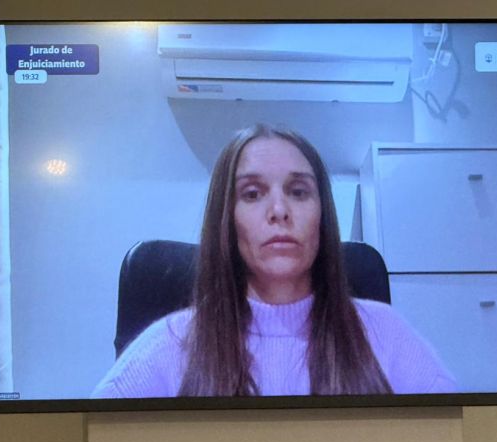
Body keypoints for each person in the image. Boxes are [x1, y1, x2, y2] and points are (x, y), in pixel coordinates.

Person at [93, 124, 455, 398]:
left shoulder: (386, 333)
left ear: (322, 216)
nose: (279, 210)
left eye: (298, 192)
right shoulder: (170, 344)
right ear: (227, 218)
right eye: (252, 194)